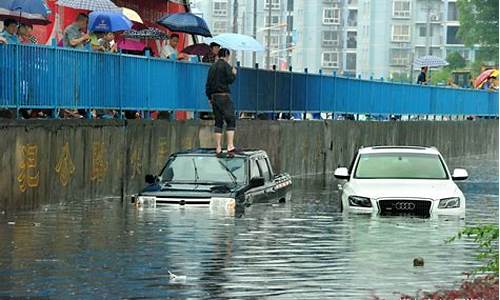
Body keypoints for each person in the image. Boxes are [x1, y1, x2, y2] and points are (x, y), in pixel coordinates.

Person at [205, 48, 238, 157]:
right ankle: (230, 146)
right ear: (226, 55)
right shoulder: (225, 66)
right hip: (224, 96)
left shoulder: (212, 67)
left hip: (214, 97)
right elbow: (230, 80)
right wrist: (233, 73)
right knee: (230, 120)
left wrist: (209, 97)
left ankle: (218, 147)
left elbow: (208, 84)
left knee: (218, 121)